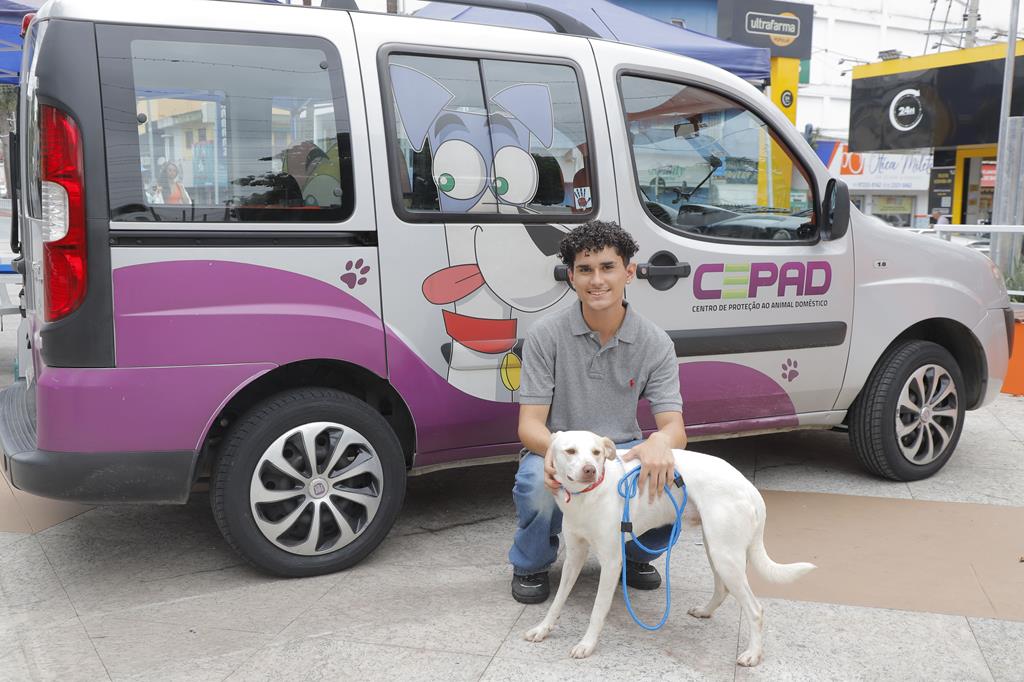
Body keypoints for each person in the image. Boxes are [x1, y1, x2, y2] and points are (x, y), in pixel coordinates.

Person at [509, 219, 687, 604]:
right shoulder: (546, 335)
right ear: (571, 277)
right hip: (559, 445)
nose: (597, 280)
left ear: (629, 272)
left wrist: (659, 441)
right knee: (537, 485)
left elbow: (674, 427)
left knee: (669, 484)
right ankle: (531, 563)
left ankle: (634, 554)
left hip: (623, 451)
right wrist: (555, 455)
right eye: (585, 270)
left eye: (608, 267)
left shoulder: (655, 342)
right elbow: (530, 426)